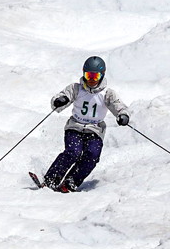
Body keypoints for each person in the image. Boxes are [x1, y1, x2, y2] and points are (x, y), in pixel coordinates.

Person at [41, 56, 130, 192]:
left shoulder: (107, 93)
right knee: (73, 152)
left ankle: (71, 181)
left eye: (95, 76)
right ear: (83, 74)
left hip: (95, 130)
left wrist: (122, 115)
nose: (91, 80)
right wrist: (60, 100)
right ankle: (51, 179)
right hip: (75, 126)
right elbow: (60, 98)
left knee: (92, 155)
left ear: (102, 75)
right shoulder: (76, 88)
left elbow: (118, 106)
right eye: (88, 76)